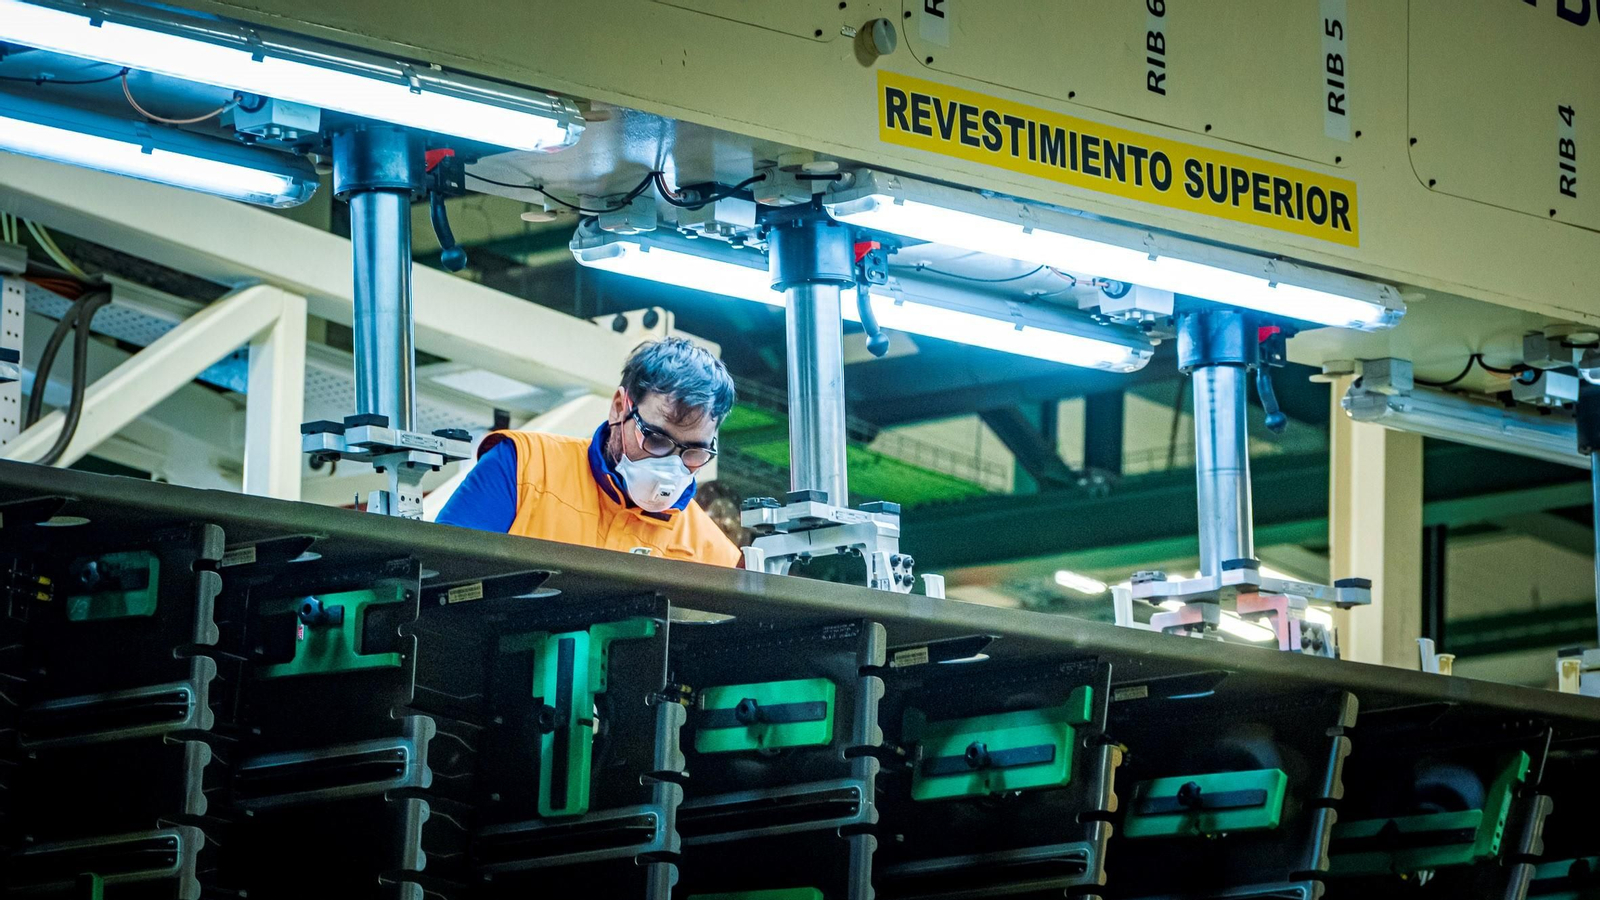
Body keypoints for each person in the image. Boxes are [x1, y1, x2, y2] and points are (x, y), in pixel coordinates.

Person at [436, 337, 742, 566]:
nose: (672, 467)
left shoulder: (714, 554)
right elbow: (442, 580)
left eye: (694, 452)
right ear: (620, 407)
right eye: (657, 439)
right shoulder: (520, 468)